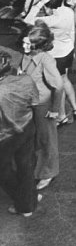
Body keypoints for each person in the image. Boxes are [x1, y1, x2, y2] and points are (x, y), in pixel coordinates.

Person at [14, 22, 62, 191]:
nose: (24, 45)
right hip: (28, 101)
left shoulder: (46, 61)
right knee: (33, 138)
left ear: (38, 45)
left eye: (28, 43)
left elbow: (59, 85)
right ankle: (37, 168)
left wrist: (55, 110)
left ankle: (48, 172)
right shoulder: (27, 55)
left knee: (45, 138)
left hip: (42, 104)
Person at [0, 51, 39, 216]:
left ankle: (24, 199)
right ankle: (28, 201)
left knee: (3, 170)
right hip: (27, 126)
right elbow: (35, 102)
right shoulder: (26, 81)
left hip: (5, 136)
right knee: (26, 165)